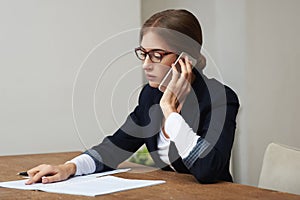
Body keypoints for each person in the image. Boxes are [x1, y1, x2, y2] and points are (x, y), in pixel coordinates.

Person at [26, 9, 239, 185]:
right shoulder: (150, 95)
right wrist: (68, 168)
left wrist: (170, 112)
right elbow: (115, 148)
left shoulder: (220, 99)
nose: (146, 64)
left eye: (157, 55)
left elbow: (207, 171)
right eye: (143, 53)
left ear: (186, 59)